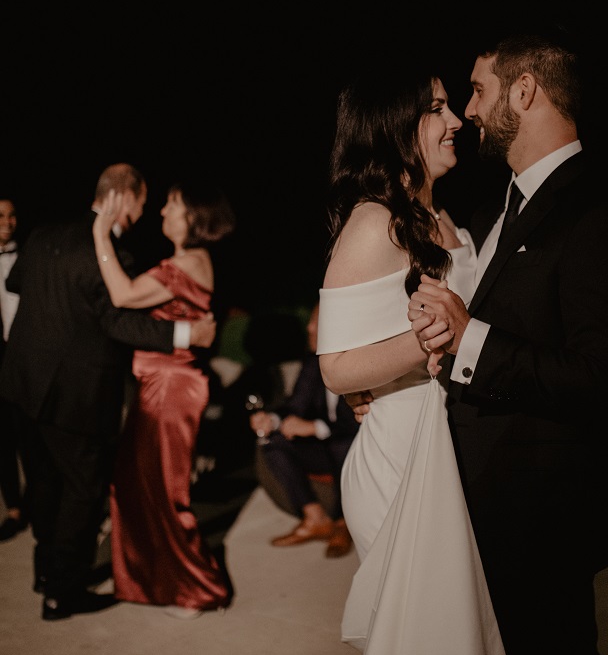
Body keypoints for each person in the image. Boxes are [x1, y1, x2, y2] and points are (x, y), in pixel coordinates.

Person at [405, 32, 608, 655]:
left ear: (527, 91)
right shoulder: (492, 211)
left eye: (478, 90)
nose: (469, 110)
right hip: (486, 514)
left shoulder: (596, 209)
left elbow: (595, 376)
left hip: (543, 518)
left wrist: (471, 339)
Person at [316, 68, 521, 655]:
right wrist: (431, 341)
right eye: (435, 109)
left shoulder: (451, 225)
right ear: (396, 127)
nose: (454, 121)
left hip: (448, 457)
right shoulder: (375, 222)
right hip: (398, 464)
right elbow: (336, 365)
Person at [0, 164, 218, 621]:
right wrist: (186, 336)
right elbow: (117, 320)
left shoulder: (42, 234)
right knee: (83, 488)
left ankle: (44, 571)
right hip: (75, 392)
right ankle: (62, 591)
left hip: (19, 382)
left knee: (43, 483)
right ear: (125, 198)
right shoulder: (113, 254)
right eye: (142, 199)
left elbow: (14, 283)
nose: (145, 210)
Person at [92, 178, 235, 619]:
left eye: (171, 205)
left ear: (193, 216)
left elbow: (122, 295)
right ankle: (156, 579)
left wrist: (100, 234)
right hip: (162, 385)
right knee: (138, 485)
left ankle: (197, 588)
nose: (162, 213)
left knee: (165, 491)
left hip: (171, 389)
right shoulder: (187, 261)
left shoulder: (187, 264)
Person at [250, 301, 358, 558]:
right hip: (326, 447)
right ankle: (315, 518)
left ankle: (346, 523)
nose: (309, 328)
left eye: (315, 323)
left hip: (353, 446)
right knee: (272, 441)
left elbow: (359, 421)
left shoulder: (358, 361)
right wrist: (272, 420)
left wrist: (314, 427)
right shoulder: (313, 363)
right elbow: (295, 405)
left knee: (342, 444)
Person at [0, 195, 29, 541]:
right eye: (0, 215)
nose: (7, 221)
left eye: (11, 214)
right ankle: (14, 508)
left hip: (23, 356)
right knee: (3, 438)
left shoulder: (28, 259)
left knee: (29, 433)